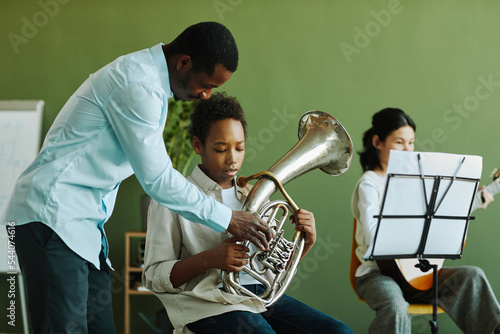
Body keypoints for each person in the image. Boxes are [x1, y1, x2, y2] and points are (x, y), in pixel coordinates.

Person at [1, 22, 273, 333]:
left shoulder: (147, 83)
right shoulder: (138, 85)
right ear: (183, 63)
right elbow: (157, 179)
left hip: (80, 227)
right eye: (207, 84)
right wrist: (229, 219)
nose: (207, 95)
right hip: (52, 218)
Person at [142, 92, 353, 334]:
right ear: (197, 145)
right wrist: (210, 259)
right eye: (221, 149)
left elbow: (270, 272)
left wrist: (305, 243)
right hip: (209, 304)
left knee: (339, 331)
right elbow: (153, 276)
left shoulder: (253, 194)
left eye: (240, 148)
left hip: (260, 299)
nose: (233, 159)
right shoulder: (174, 198)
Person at [351, 107, 500, 333]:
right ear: (377, 142)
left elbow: (436, 216)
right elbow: (375, 239)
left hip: (418, 276)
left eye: (411, 143)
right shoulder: (370, 184)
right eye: (399, 142)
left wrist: (472, 201)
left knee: (472, 277)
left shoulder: (418, 181)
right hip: (377, 274)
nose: (407, 150)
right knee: (396, 305)